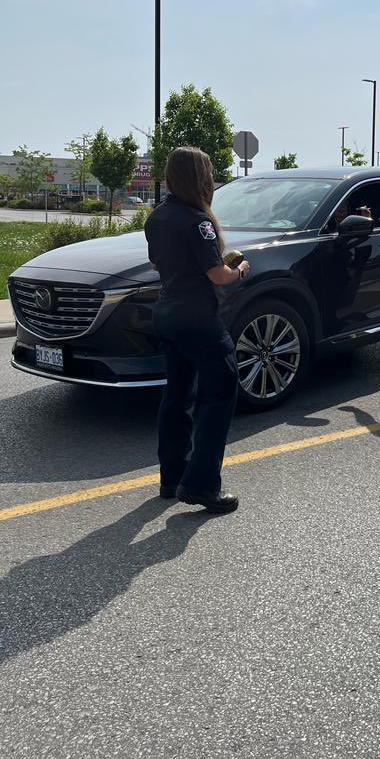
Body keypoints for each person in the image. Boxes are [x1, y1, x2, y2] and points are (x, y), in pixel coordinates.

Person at [144, 146, 250, 514]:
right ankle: (202, 484)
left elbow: (157, 262)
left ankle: (171, 477)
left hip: (168, 314)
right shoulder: (199, 222)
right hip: (199, 320)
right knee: (219, 394)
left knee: (176, 395)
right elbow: (218, 276)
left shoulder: (157, 216)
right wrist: (239, 269)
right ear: (200, 178)